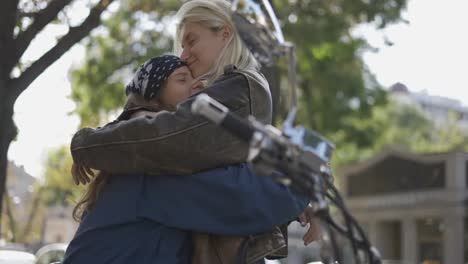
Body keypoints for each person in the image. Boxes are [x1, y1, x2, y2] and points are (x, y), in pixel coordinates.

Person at [67, 1, 320, 263]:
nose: (185, 54)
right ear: (155, 102)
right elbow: (238, 196)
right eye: (182, 80)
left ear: (225, 33)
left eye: (191, 41)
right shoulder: (156, 167)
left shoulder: (162, 160)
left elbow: (241, 179)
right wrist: (306, 181)